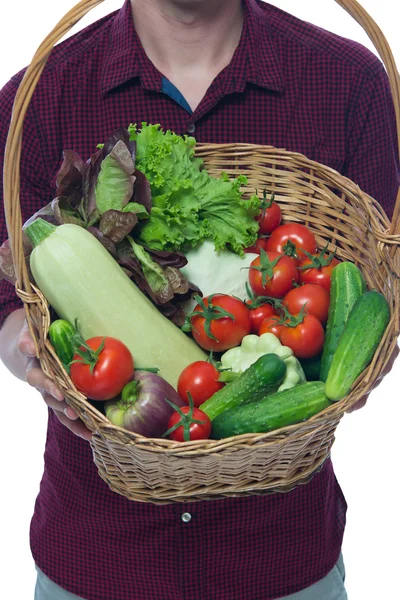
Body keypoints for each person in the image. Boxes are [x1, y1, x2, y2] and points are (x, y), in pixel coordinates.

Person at [0, 1, 398, 599]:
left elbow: (380, 280)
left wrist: (362, 355)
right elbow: (4, 300)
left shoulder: (348, 81)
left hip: (282, 558)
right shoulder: (43, 92)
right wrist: (26, 354)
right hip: (97, 554)